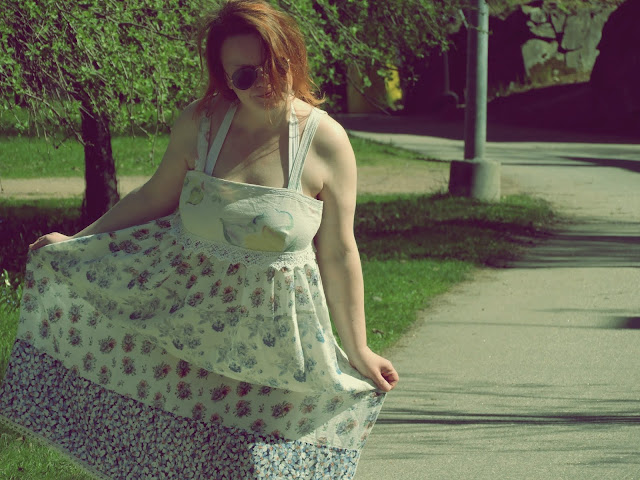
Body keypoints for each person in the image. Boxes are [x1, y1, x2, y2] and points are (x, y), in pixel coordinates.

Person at [0, 0, 398, 478]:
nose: (264, 82)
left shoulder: (326, 141)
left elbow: (338, 251)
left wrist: (359, 348)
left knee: (256, 465)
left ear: (292, 56)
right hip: (186, 328)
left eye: (273, 65)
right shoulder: (201, 124)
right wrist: (76, 241)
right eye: (244, 75)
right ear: (225, 78)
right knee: (175, 458)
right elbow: (154, 197)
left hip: (273, 345)